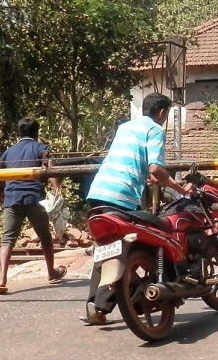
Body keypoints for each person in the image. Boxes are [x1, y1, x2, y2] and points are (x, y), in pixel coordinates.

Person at [81, 92, 195, 325]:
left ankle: (96, 307)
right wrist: (178, 188)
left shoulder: (125, 127)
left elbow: (133, 163)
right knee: (147, 239)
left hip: (98, 192)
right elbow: (155, 168)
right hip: (121, 197)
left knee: (107, 248)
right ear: (162, 113)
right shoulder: (154, 130)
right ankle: (160, 287)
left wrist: (147, 179)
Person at [0, 118, 67, 295]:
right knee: (45, 237)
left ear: (19, 133)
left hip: (11, 200)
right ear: (36, 133)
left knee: (7, 240)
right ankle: (51, 273)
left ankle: (2, 279)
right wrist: (58, 191)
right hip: (34, 198)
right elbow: (52, 170)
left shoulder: (9, 151)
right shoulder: (42, 148)